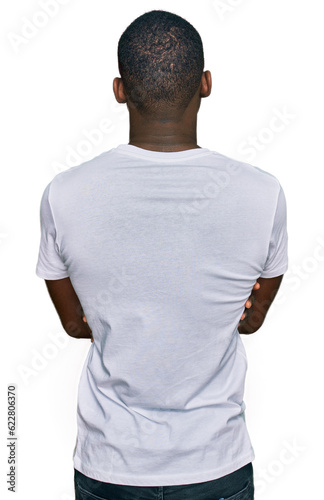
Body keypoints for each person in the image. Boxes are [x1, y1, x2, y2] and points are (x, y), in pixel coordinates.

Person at [35, 9, 288, 500]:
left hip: (110, 468)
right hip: (217, 466)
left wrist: (122, 316)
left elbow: (74, 323)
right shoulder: (263, 194)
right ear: (207, 83)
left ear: (119, 89)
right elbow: (250, 317)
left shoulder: (63, 195)